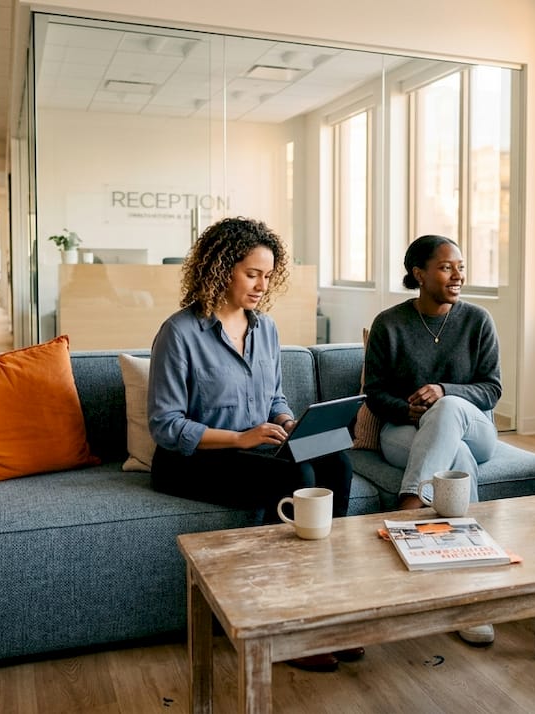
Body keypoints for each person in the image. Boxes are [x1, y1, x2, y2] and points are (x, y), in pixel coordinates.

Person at [146, 216, 360, 673]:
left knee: (336, 462)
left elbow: (274, 396)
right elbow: (165, 425)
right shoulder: (180, 332)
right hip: (192, 459)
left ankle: (327, 605)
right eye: (252, 274)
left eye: (268, 275)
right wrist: (242, 437)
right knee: (296, 476)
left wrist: (285, 419)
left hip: (254, 449)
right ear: (221, 269)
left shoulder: (266, 329)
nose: (262, 285)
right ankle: (285, 625)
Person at [363, 234, 502, 645]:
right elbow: (375, 393)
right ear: (419, 274)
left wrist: (444, 391)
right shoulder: (391, 324)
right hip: (404, 431)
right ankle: (469, 597)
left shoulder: (478, 321)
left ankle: (410, 508)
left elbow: (492, 389)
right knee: (454, 460)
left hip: (475, 430)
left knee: (448, 409)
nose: (458, 274)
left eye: (460, 266)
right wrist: (407, 410)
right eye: (446, 267)